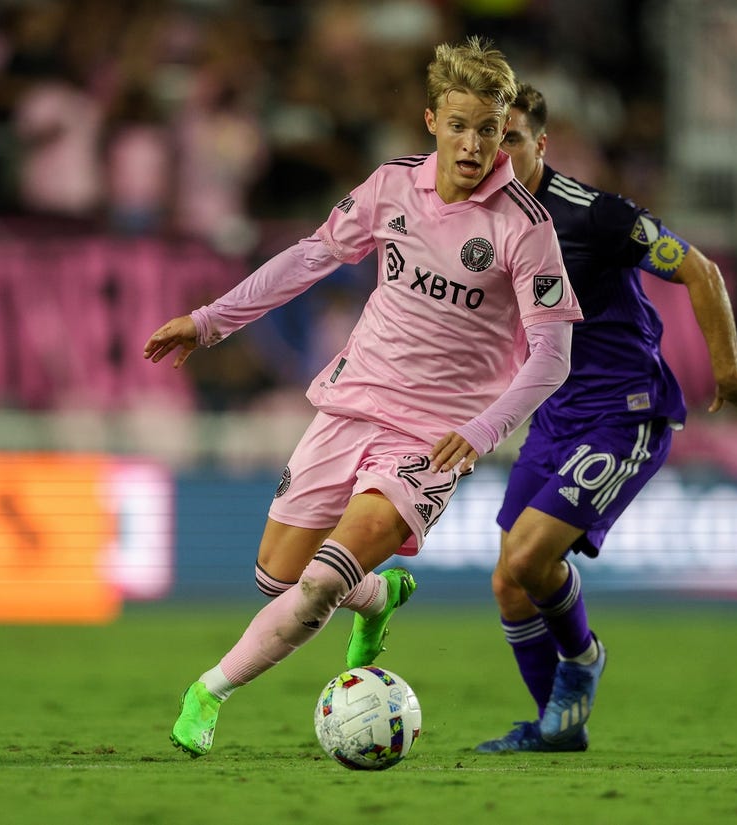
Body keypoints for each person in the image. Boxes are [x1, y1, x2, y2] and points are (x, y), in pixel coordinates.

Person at [143, 39, 582, 758]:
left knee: (316, 583)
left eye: (490, 129)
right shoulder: (390, 187)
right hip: (350, 404)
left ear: (508, 131)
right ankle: (378, 597)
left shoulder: (525, 227)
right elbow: (312, 255)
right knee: (276, 575)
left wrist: (480, 429)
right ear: (432, 119)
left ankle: (208, 693)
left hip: (433, 438)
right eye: (460, 124)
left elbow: (554, 355)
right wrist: (210, 320)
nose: (474, 144)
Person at [471, 83, 737, 753]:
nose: (497, 152)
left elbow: (699, 270)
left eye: (513, 139)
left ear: (540, 145)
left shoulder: (596, 217)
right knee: (507, 580)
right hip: (554, 415)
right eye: (489, 138)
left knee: (530, 557)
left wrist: (726, 369)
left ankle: (582, 658)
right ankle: (556, 726)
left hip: (622, 413)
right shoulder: (478, 218)